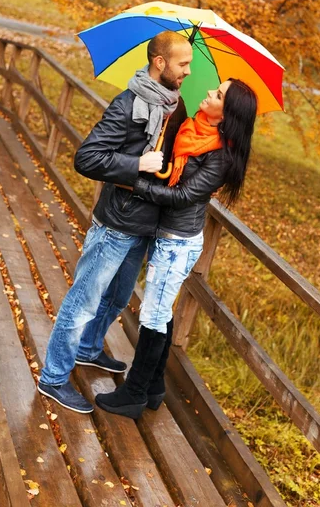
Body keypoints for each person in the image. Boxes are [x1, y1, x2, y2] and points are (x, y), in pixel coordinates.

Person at [38, 31, 193, 413]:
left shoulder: (176, 105)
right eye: (183, 64)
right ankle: (53, 378)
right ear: (160, 63)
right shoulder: (128, 104)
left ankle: (89, 349)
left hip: (145, 224)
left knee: (118, 298)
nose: (188, 71)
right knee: (84, 300)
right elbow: (87, 158)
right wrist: (137, 163)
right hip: (115, 224)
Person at [95, 78, 258, 419]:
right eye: (213, 88)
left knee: (153, 316)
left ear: (227, 114)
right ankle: (154, 388)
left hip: (177, 242)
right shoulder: (192, 129)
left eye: (217, 95)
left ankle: (134, 393)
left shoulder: (219, 154)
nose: (209, 93)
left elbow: (183, 196)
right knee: (161, 312)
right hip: (167, 236)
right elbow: (171, 172)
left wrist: (136, 185)